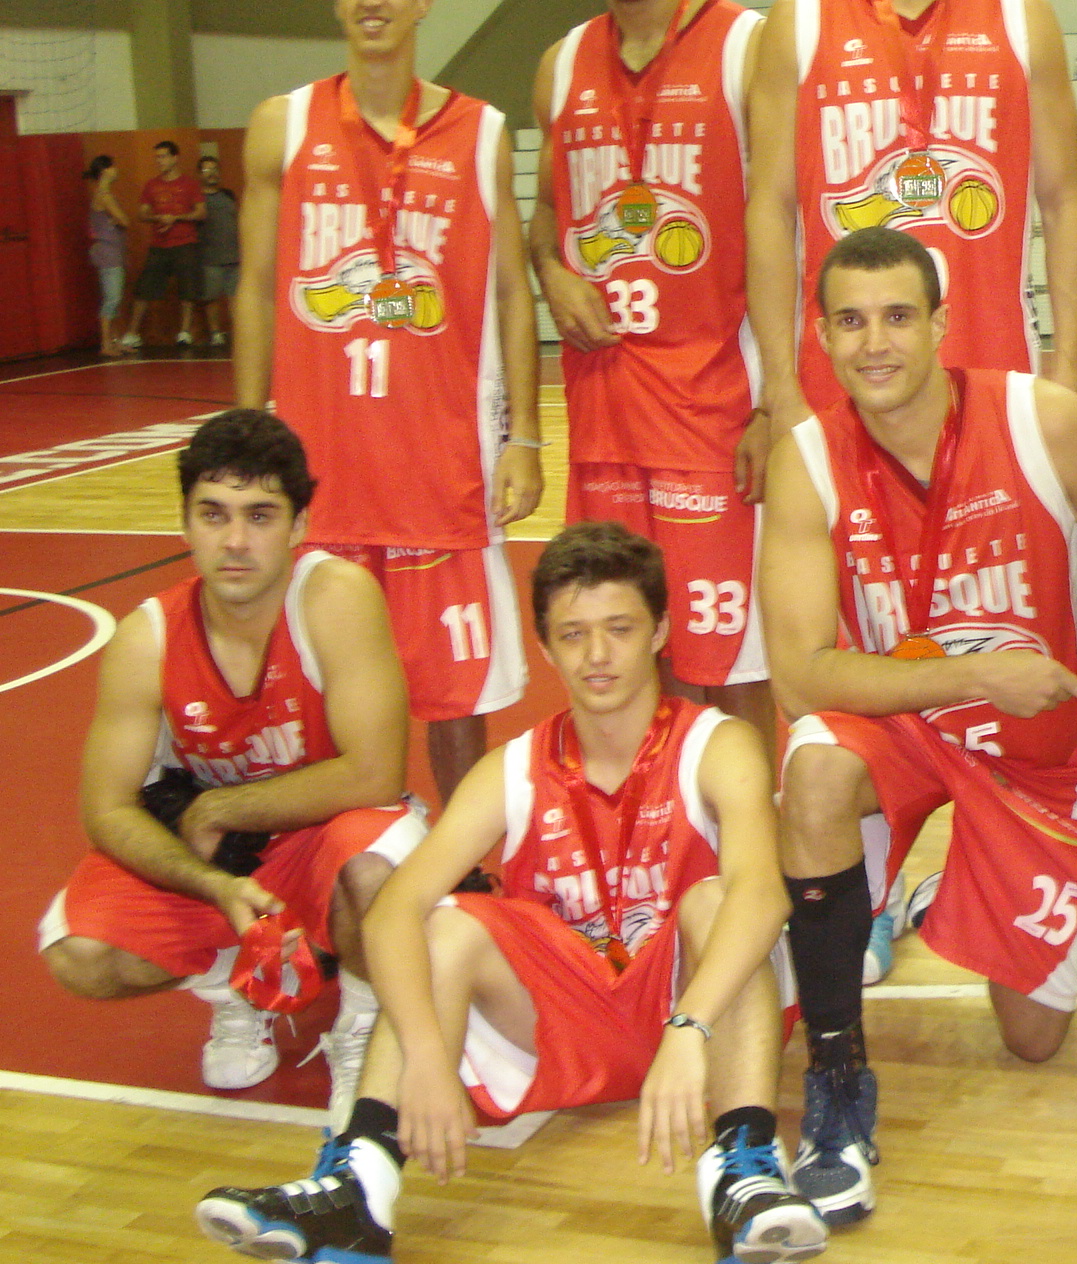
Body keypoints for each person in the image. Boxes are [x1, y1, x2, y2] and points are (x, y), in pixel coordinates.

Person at [194, 523, 825, 1264]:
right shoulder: (514, 767)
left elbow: (765, 896)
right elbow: (397, 907)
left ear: (658, 630)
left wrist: (689, 1029)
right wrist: (429, 1052)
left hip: (694, 1004)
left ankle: (743, 1171)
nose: (597, 655)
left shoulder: (717, 744)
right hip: (563, 1018)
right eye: (574, 634)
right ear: (546, 646)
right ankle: (358, 1187)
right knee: (448, 924)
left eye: (619, 629)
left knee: (718, 900)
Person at [762, 228, 1077, 1225]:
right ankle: (838, 1092)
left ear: (941, 324)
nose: (876, 343)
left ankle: (933, 889)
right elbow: (797, 677)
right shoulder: (806, 462)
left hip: (1045, 755)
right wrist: (973, 677)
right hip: (907, 731)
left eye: (898, 316)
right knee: (816, 768)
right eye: (850, 321)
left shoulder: (1044, 421)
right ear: (822, 337)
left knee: (1034, 1037)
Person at [37, 408, 423, 1126]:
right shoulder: (145, 640)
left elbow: (374, 772)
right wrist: (212, 884)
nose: (236, 541)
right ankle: (237, 987)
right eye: (213, 515)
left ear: (299, 526)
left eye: (260, 515)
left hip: (321, 835)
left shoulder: (335, 598)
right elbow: (107, 810)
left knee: (378, 867)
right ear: (185, 524)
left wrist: (219, 810)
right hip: (229, 863)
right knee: (80, 953)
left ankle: (363, 1027)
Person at [233, 0, 543, 801]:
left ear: (424, 0)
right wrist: (250, 435)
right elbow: (255, 288)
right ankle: (341, 857)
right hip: (320, 469)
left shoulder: (480, 132)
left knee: (456, 697)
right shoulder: (280, 127)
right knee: (324, 698)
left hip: (438, 465)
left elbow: (512, 293)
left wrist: (525, 437)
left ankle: (463, 865)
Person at [745, 0, 1077, 426]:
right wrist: (779, 386)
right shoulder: (799, 22)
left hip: (995, 375)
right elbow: (769, 210)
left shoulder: (1022, 15)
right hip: (839, 388)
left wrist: (1069, 369)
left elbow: (1065, 201)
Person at [528, 0, 776, 751]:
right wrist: (553, 272)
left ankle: (754, 845)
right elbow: (545, 220)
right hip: (604, 417)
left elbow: (784, 231)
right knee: (627, 651)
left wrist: (774, 405)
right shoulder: (560, 66)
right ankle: (656, 832)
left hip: (713, 409)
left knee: (735, 660)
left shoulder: (747, 45)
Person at [119, 139, 205, 350]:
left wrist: (176, 218)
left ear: (175, 158)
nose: (160, 161)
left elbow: (201, 212)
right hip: (159, 244)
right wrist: (159, 217)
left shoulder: (190, 184)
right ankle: (132, 333)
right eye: (157, 157)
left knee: (188, 289)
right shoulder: (152, 185)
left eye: (164, 156)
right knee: (144, 288)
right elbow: (142, 213)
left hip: (185, 243)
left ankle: (184, 332)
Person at [85, 154, 133, 358]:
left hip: (111, 251)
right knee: (111, 299)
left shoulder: (103, 194)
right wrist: (119, 220)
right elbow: (124, 220)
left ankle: (115, 340)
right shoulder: (104, 195)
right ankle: (106, 343)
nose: (117, 170)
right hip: (109, 253)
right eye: (113, 166)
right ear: (105, 170)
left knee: (114, 298)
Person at [196, 154, 238, 348]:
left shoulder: (229, 196)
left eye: (214, 169)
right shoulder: (197, 200)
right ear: (199, 174)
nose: (211, 173)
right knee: (211, 298)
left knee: (236, 298)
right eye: (206, 170)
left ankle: (239, 332)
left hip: (234, 256)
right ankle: (215, 333)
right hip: (210, 258)